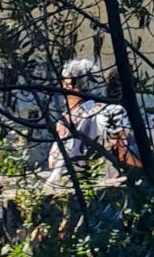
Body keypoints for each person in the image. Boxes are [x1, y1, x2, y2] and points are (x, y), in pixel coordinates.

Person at [46, 58, 135, 188]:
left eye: (65, 84)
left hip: (74, 183)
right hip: (95, 183)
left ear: (76, 88)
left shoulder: (68, 120)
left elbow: (52, 161)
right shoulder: (108, 112)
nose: (62, 89)